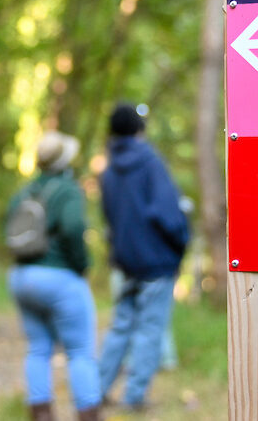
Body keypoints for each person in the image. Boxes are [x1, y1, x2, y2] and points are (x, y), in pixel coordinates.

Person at [96, 103, 190, 410]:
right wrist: (181, 244)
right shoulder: (150, 163)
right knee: (150, 329)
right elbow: (169, 215)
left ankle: (97, 390)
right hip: (156, 262)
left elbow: (109, 218)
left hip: (127, 262)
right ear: (139, 130)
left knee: (121, 326)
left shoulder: (109, 170)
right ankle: (134, 397)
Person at [7, 131, 101, 421]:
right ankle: (88, 415)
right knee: (80, 351)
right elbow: (73, 228)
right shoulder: (68, 189)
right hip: (59, 278)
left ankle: (41, 415)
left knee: (37, 349)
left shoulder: (25, 191)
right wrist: (82, 264)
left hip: (22, 277)